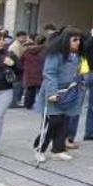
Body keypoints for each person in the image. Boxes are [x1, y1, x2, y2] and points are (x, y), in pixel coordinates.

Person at [36, 27, 85, 162]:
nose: (78, 43)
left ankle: (58, 149)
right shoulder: (55, 55)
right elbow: (49, 73)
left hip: (70, 92)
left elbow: (80, 73)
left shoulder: (77, 56)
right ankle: (40, 149)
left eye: (79, 40)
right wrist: (52, 92)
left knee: (65, 121)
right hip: (55, 91)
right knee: (52, 121)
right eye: (74, 40)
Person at [20, 35, 47, 111]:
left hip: (29, 73)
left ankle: (28, 105)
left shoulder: (27, 50)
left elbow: (21, 60)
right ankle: (42, 105)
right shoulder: (45, 50)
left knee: (30, 90)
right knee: (42, 90)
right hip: (40, 72)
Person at [7, 31, 30, 108]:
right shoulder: (14, 47)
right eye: (23, 37)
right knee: (16, 86)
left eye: (25, 37)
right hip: (15, 69)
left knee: (18, 86)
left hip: (18, 68)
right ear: (17, 37)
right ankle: (13, 103)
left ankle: (15, 102)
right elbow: (17, 59)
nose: (25, 39)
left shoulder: (20, 45)